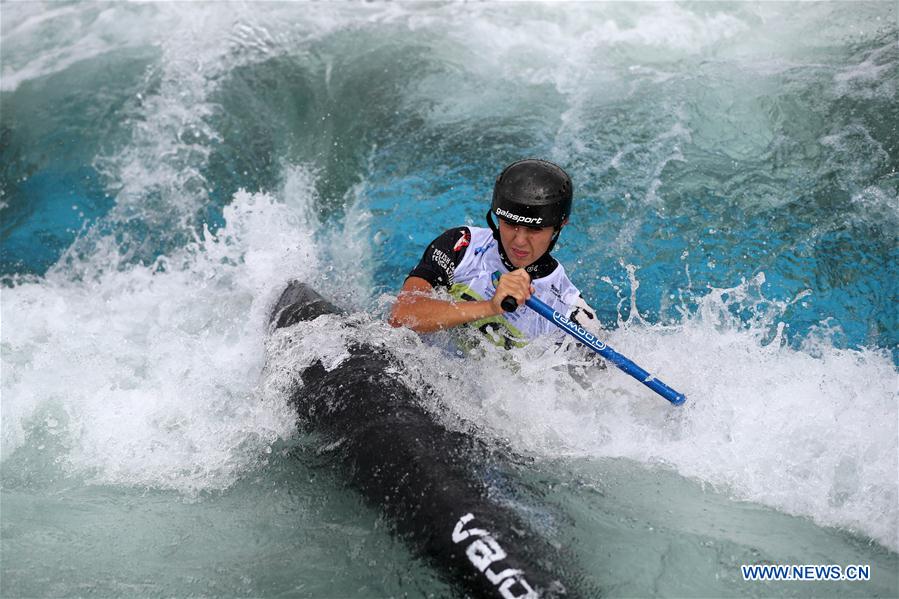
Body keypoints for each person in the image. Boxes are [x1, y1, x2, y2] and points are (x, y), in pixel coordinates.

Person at [388, 159, 601, 350]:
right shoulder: (461, 245)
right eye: (509, 224)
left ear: (559, 226)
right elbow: (402, 315)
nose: (519, 241)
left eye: (534, 230)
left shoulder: (570, 312)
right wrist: (490, 307)